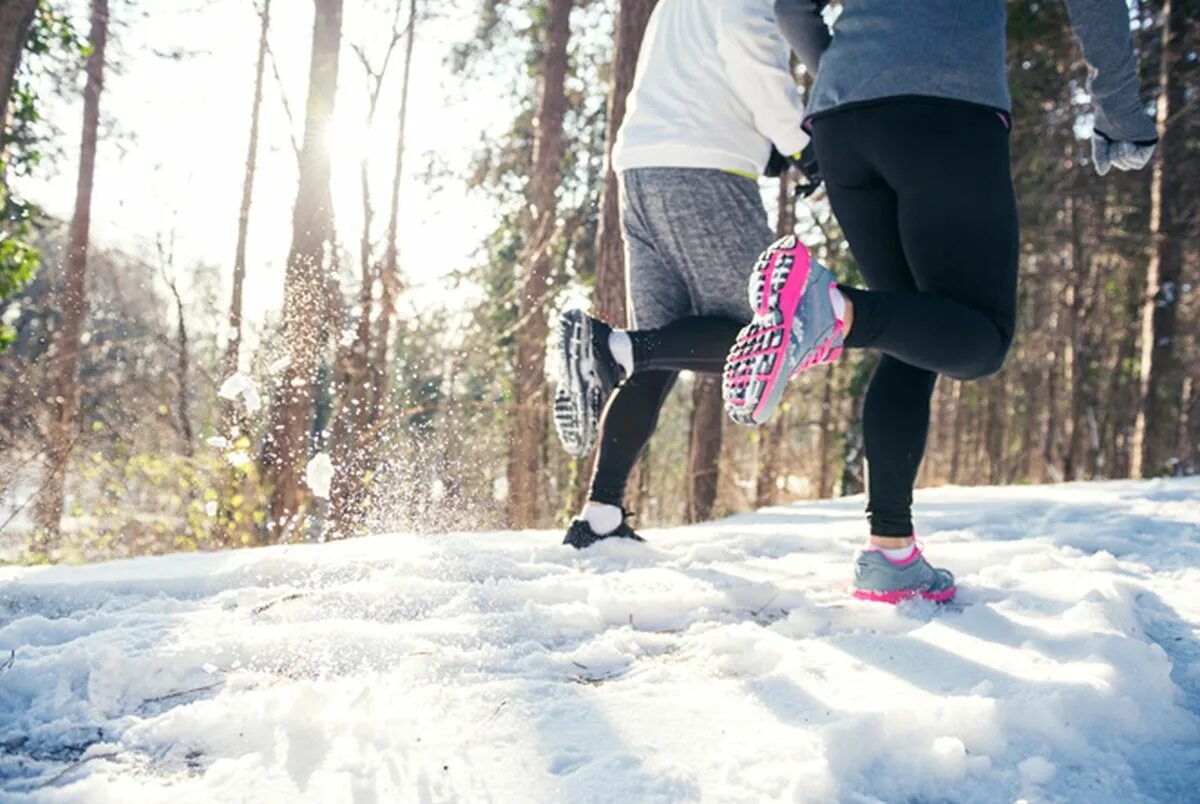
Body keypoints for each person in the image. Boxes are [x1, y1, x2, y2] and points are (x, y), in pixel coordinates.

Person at [721, 0, 1158, 602]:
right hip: (944, 109)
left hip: (841, 119)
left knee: (907, 331)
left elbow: (792, 8)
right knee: (981, 338)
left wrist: (851, 70)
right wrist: (1121, 112)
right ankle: (834, 313)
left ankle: (891, 553)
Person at [550, 0, 813, 549]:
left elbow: (697, 66)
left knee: (659, 351)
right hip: (701, 168)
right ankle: (606, 349)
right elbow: (749, 47)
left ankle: (599, 517)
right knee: (776, 330)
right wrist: (799, 142)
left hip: (643, 167)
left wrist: (763, 145)